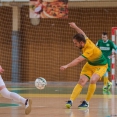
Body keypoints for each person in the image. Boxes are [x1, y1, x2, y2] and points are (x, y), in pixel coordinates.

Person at [60, 22, 108, 109]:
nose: (75, 45)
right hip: (90, 64)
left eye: (76, 43)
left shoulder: (90, 49)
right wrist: (75, 27)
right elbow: (82, 33)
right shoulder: (85, 40)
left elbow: (78, 60)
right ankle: (70, 101)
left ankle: (86, 102)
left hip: (101, 66)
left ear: (81, 43)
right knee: (82, 80)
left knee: (93, 80)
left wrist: (67, 65)